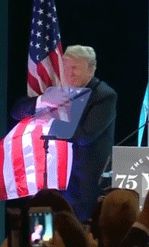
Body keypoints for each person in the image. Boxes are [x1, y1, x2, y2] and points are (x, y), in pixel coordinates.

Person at [11, 45, 117, 222]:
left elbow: (84, 136)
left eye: (75, 68)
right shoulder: (57, 91)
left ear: (91, 70)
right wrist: (42, 100)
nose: (69, 73)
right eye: (66, 68)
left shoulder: (104, 96)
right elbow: (16, 112)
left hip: (83, 185)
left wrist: (46, 122)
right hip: (52, 180)